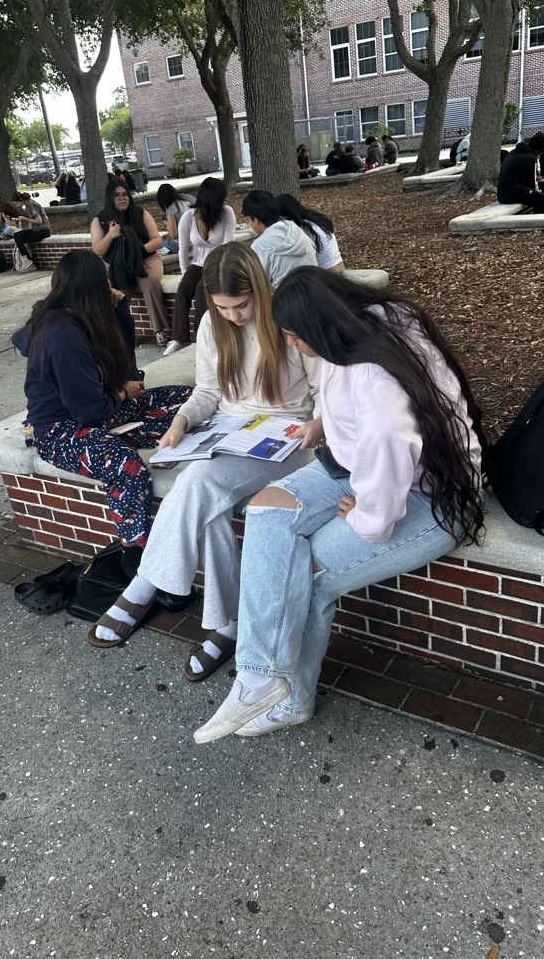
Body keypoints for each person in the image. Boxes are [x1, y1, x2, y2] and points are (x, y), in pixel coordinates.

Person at [192, 267, 485, 742]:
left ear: (321, 326)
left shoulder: (371, 374)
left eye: (293, 336)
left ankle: (284, 693)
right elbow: (358, 411)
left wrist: (370, 516)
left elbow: (389, 435)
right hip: (359, 470)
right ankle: (264, 675)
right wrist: (324, 422)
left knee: (303, 573)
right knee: (267, 506)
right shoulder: (368, 324)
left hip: (433, 497)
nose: (290, 345)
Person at [89, 241, 322, 662]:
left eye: (241, 306)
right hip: (229, 431)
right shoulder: (214, 327)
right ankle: (227, 625)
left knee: (197, 480)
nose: (233, 315)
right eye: (223, 307)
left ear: (258, 288)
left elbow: (324, 389)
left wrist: (319, 423)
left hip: (285, 438)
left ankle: (144, 585)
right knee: (211, 510)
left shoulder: (289, 320)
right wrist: (180, 422)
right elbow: (209, 392)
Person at [11, 250, 191, 597]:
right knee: (126, 467)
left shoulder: (80, 316)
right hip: (61, 431)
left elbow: (123, 361)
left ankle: (129, 435)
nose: (111, 284)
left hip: (100, 412)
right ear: (94, 286)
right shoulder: (61, 336)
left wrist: (120, 309)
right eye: (105, 279)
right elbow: (91, 411)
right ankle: (135, 554)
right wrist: (124, 394)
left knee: (185, 399)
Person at [91, 178, 169, 345]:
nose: (122, 198)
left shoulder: (140, 213)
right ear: (109, 198)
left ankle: (159, 330)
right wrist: (110, 235)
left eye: (125, 194)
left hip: (145, 258)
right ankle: (119, 332)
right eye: (117, 195)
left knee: (150, 284)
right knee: (118, 292)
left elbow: (157, 240)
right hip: (117, 264)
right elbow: (98, 250)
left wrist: (140, 249)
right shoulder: (100, 220)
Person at [163, 177, 235, 356]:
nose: (225, 202)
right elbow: (182, 248)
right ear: (213, 199)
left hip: (218, 262)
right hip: (197, 263)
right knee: (183, 291)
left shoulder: (227, 213)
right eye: (222, 198)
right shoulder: (188, 217)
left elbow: (227, 247)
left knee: (202, 290)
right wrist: (185, 272)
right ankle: (179, 339)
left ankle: (199, 340)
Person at [241, 190, 316, 287]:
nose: (249, 224)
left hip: (285, 298)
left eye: (248, 219)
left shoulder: (260, 246)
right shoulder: (295, 229)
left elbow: (258, 283)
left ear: (256, 220)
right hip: (315, 288)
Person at [275, 193, 345, 271]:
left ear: (287, 215)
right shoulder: (314, 219)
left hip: (328, 273)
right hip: (339, 266)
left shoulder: (306, 230)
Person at [497, 131, 544, 213]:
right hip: (512, 193)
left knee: (543, 196)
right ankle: (541, 223)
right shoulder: (530, 158)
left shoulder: (514, 152)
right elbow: (531, 185)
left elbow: (520, 175)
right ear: (539, 151)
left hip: (504, 192)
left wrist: (534, 176)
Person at [11, 191, 51, 269]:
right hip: (36, 229)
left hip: (43, 230)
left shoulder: (31, 205)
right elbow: (31, 219)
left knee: (19, 238)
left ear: (21, 200)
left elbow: (39, 221)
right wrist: (28, 230)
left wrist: (24, 218)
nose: (16, 206)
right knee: (17, 235)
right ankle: (25, 258)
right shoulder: (27, 205)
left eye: (16, 203)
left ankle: (25, 259)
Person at [156, 183, 196, 254]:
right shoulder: (187, 202)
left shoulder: (171, 208)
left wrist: (168, 225)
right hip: (195, 241)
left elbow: (173, 235)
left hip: (180, 245)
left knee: (157, 244)